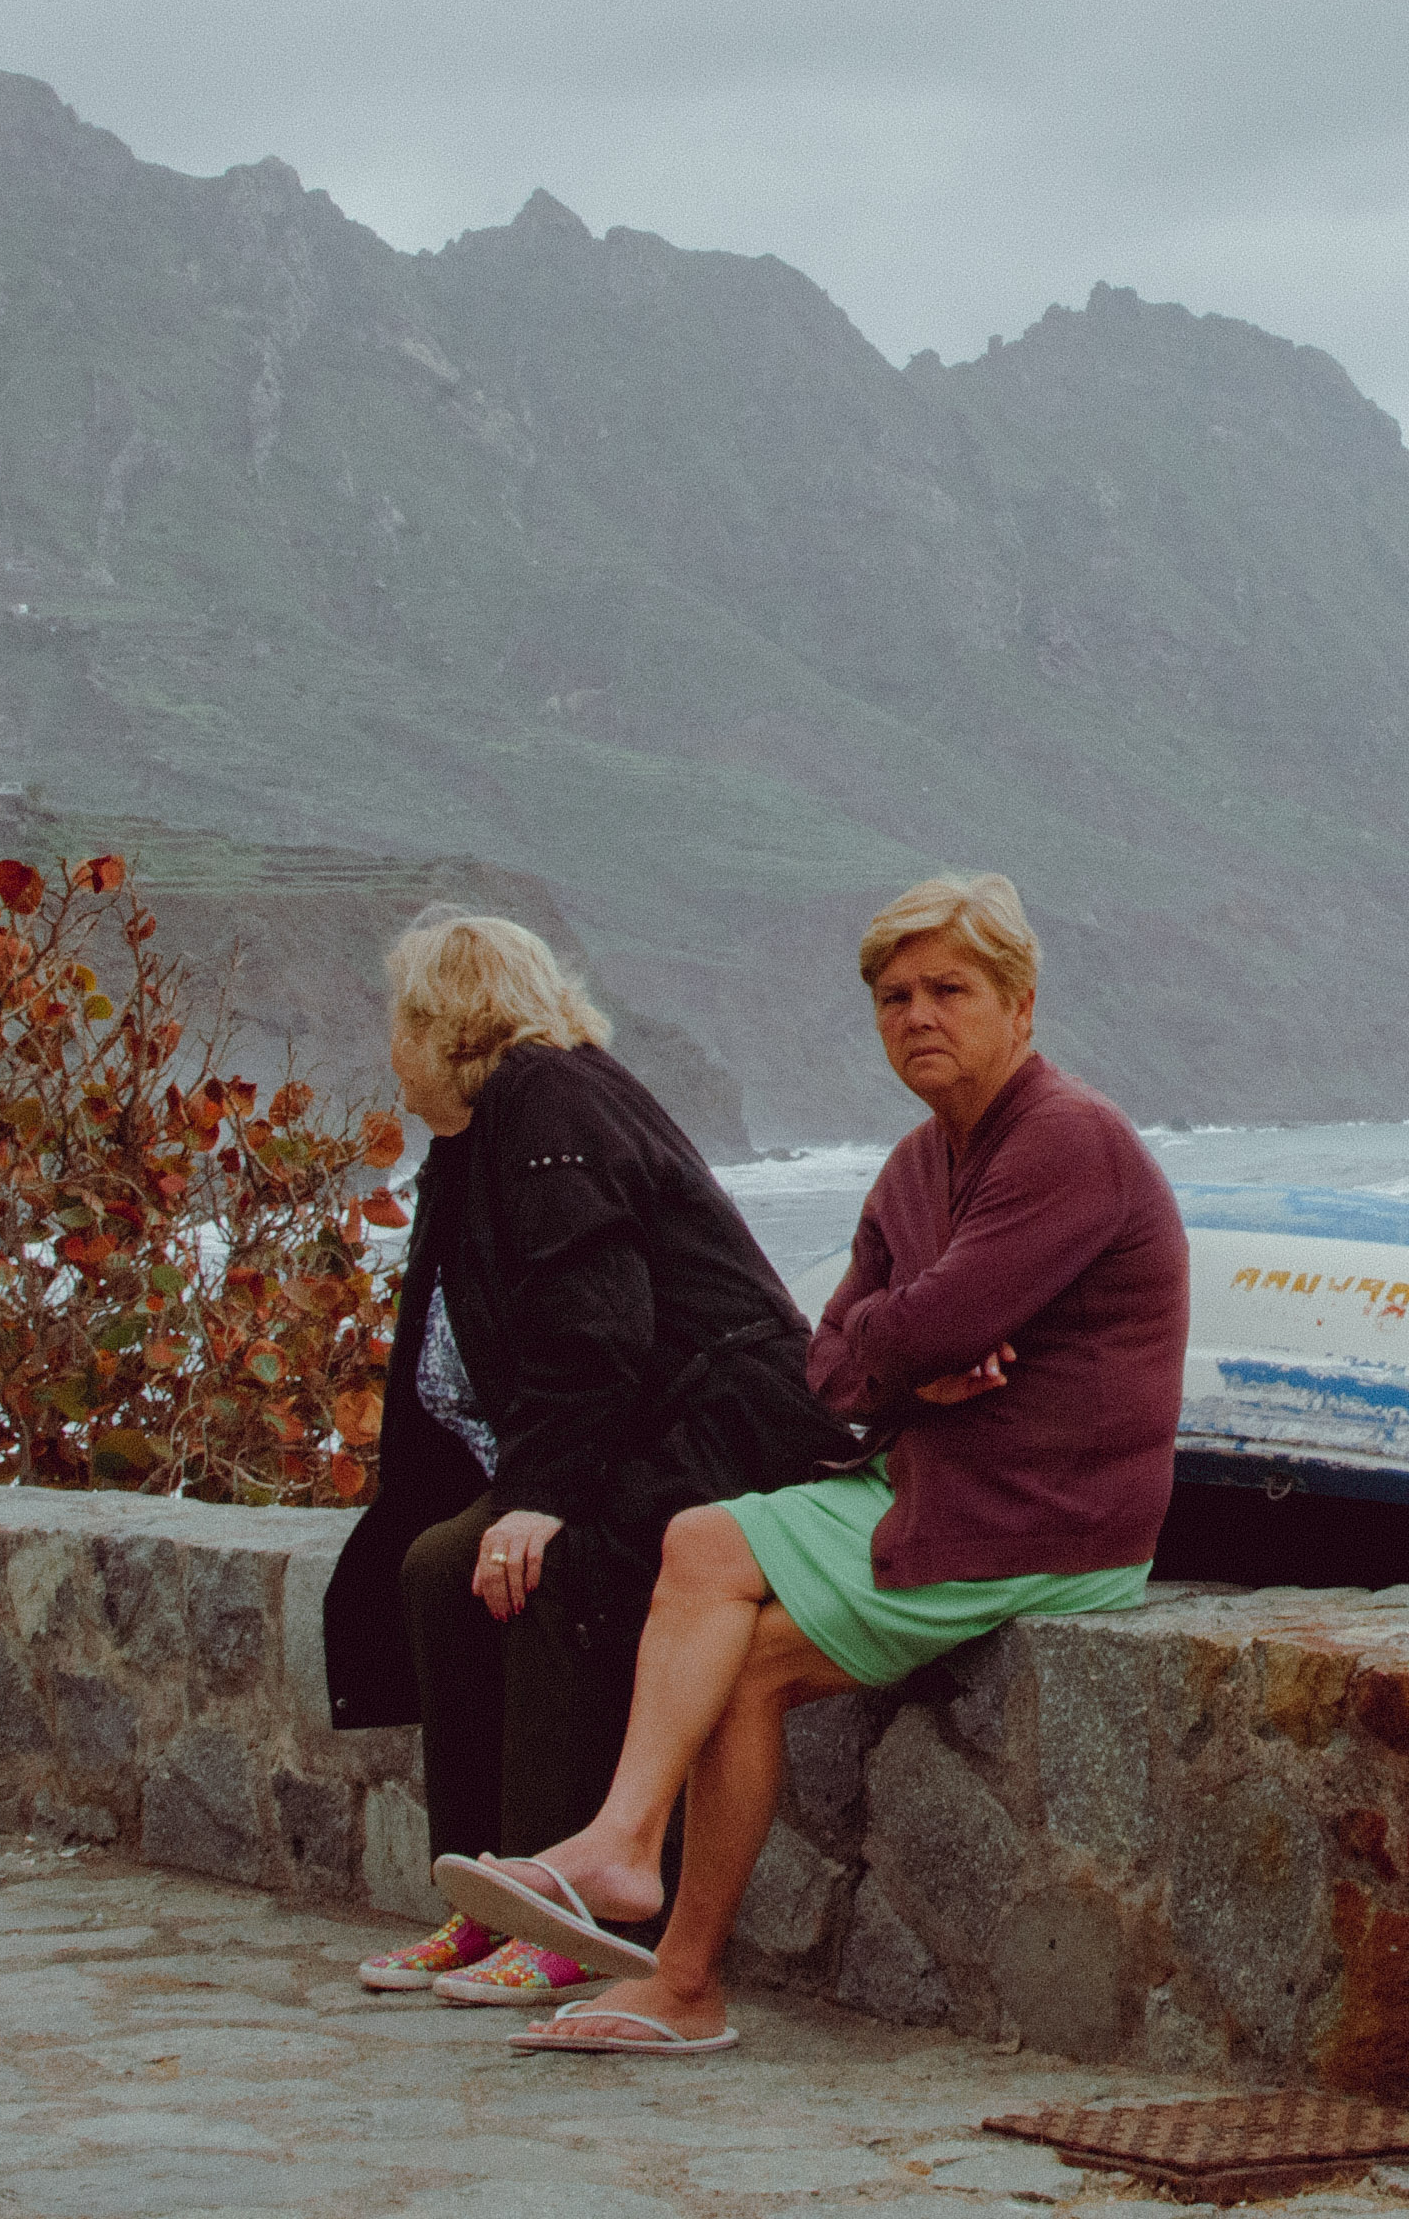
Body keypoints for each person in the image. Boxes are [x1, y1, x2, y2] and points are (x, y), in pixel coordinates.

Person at [439, 871, 1189, 2056]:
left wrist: (905, 1342)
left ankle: (621, 1845)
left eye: (949, 989)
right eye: (895, 996)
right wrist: (910, 1361)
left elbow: (912, 1328)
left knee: (701, 1539)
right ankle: (685, 1985)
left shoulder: (1066, 1139)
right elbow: (827, 1365)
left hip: (1043, 1515)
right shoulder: (916, 1165)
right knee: (740, 1670)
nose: (918, 1015)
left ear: (1021, 1005)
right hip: (941, 1492)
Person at [318, 909, 846, 2007]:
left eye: (400, 1021)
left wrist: (541, 1498)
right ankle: (488, 1899)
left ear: (446, 1022)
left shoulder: (547, 1098)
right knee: (441, 1567)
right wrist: (504, 1494)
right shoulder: (482, 1134)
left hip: (723, 1424)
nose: (390, 1048)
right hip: (635, 1428)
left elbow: (594, 1324)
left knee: (559, 1570)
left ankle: (574, 1914)